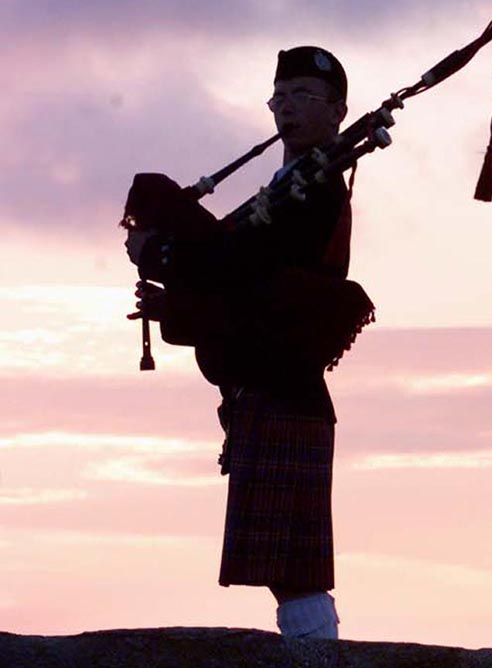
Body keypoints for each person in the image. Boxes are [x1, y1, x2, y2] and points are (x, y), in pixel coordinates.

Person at [125, 46, 363, 640]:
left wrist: (163, 254)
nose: (289, 108)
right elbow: (239, 280)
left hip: (283, 386)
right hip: (271, 385)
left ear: (337, 111)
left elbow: (246, 275)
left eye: (306, 97)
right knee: (290, 566)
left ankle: (315, 656)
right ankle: (313, 652)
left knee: (294, 568)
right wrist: (175, 300)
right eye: (281, 97)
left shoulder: (312, 189)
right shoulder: (287, 187)